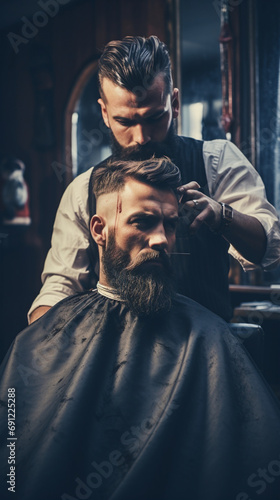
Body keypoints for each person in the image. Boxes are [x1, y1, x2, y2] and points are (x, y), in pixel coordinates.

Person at [1, 158, 280, 500]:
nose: (162, 239)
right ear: (98, 230)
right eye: (143, 222)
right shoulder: (41, 340)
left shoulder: (208, 338)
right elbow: (13, 467)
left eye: (169, 224)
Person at [28, 35, 280, 324]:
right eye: (125, 121)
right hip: (117, 359)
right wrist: (41, 347)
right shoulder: (84, 190)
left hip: (205, 355)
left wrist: (222, 216)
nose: (141, 138)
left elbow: (270, 250)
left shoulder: (216, 160)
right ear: (105, 113)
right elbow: (60, 285)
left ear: (174, 103)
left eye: (153, 117)